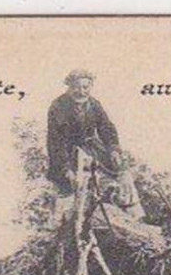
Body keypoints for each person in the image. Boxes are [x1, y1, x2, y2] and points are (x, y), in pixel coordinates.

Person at [46, 69, 141, 216]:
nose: (81, 92)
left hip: (92, 149)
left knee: (121, 171)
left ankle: (132, 213)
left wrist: (113, 149)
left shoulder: (94, 104)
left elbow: (106, 127)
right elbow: (55, 142)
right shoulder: (58, 107)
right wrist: (66, 169)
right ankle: (64, 224)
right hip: (67, 153)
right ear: (69, 87)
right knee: (69, 189)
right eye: (76, 87)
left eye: (85, 87)